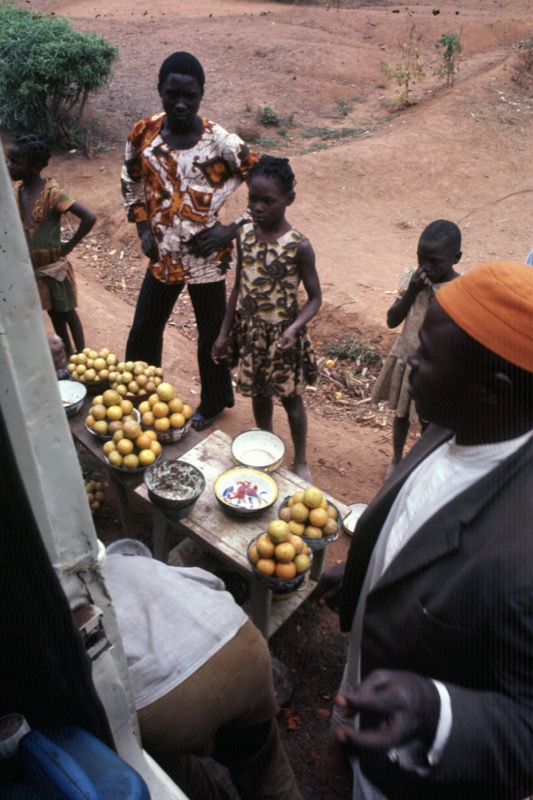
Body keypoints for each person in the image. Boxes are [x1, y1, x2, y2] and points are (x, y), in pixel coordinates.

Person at [316, 261, 533, 800]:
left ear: (492, 389)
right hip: (373, 676)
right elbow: (419, 518)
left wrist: (437, 713)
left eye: (426, 355)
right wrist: (367, 574)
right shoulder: (461, 421)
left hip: (420, 772)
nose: (410, 358)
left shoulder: (525, 555)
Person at [121, 51, 259, 431]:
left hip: (206, 258)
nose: (180, 103)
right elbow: (130, 179)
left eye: (190, 96)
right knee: (145, 327)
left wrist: (230, 229)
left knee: (210, 335)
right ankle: (141, 391)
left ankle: (215, 401)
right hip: (163, 254)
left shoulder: (221, 143)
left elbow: (268, 182)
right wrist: (144, 228)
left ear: (202, 93)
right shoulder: (143, 133)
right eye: (172, 94)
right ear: (160, 91)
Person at [102, 551, 302, 800]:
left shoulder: (67, 606)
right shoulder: (132, 561)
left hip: (168, 707)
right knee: (264, 763)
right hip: (240, 651)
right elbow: (213, 583)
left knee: (178, 775)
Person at [212, 156, 322, 480]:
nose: (258, 207)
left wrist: (294, 328)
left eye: (268, 200)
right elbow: (237, 288)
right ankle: (266, 445)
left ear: (288, 200)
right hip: (250, 333)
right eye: (252, 199)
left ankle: (300, 459)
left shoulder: (299, 246)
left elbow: (315, 298)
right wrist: (223, 334)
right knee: (259, 395)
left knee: (291, 401)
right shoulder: (244, 234)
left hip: (283, 338)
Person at [372, 220, 461, 475]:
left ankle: (423, 464)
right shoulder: (414, 279)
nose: (426, 267)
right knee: (401, 415)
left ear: (456, 258)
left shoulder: (461, 291)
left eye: (434, 261)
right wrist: (412, 290)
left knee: (429, 421)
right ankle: (397, 460)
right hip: (408, 357)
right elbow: (392, 320)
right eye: (422, 259)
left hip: (437, 368)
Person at [6, 132, 96, 357]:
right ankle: (66, 357)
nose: (9, 166)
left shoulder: (52, 194)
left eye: (15, 162)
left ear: (36, 165)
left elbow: (89, 218)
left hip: (53, 269)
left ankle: (82, 357)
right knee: (54, 316)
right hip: (32, 270)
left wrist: (69, 246)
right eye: (9, 160)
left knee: (66, 312)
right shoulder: (17, 192)